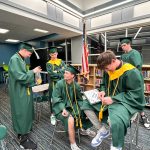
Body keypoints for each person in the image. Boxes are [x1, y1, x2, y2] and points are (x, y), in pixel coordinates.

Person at [82, 50, 145, 150]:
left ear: (113, 60)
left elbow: (136, 94)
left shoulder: (131, 72)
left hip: (126, 102)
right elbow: (104, 84)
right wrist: (102, 91)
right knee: (86, 105)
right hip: (109, 99)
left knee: (115, 120)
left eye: (107, 68)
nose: (107, 71)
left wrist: (113, 99)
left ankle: (116, 144)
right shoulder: (109, 70)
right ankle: (102, 131)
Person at [52, 65, 95, 150]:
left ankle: (83, 128)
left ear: (72, 76)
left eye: (66, 73)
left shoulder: (76, 86)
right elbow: (56, 98)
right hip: (60, 108)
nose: (64, 74)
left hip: (72, 107)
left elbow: (79, 99)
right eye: (64, 72)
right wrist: (63, 109)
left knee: (88, 110)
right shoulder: (59, 84)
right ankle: (73, 144)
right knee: (70, 119)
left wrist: (84, 107)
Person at [8, 42, 42, 149]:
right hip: (19, 92)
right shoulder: (15, 59)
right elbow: (21, 77)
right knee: (21, 112)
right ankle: (23, 141)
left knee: (25, 111)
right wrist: (33, 71)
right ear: (23, 50)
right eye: (29, 54)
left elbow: (24, 75)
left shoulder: (20, 59)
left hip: (23, 90)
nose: (29, 56)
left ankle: (22, 132)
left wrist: (34, 75)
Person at [120, 37, 150, 129]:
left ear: (129, 44)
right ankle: (130, 114)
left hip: (135, 79)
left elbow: (136, 67)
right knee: (127, 95)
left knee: (138, 96)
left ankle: (143, 116)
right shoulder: (123, 56)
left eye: (124, 45)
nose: (122, 47)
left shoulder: (135, 53)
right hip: (125, 78)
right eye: (121, 46)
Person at [46, 46, 66, 125]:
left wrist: (57, 71)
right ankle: (53, 114)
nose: (53, 56)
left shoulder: (61, 61)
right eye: (52, 55)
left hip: (62, 83)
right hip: (53, 84)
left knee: (62, 98)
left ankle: (62, 112)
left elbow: (65, 71)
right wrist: (60, 71)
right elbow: (51, 75)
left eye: (54, 54)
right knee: (53, 99)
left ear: (57, 53)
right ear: (50, 55)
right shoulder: (48, 64)